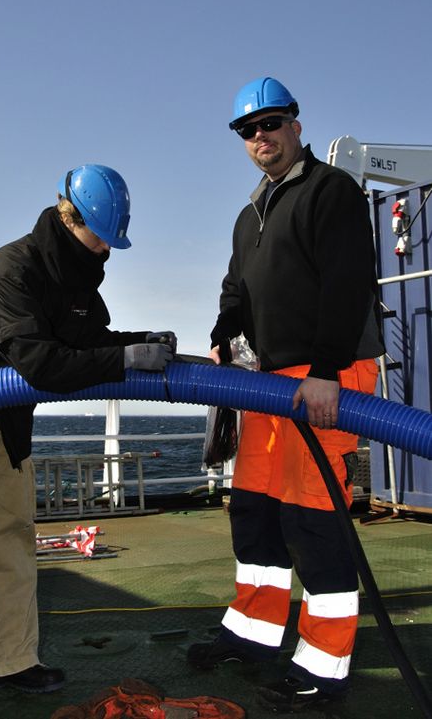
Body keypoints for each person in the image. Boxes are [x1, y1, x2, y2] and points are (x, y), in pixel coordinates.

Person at [0, 164, 177, 719]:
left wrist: (143, 342)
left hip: (9, 414)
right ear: (75, 223)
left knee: (13, 530)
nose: (109, 251)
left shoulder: (78, 282)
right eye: (103, 238)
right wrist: (121, 359)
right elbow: (40, 361)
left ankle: (10, 660)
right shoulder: (13, 271)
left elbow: (91, 342)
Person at [187, 78, 384, 711]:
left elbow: (349, 283)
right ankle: (253, 632)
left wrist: (326, 370)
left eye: (270, 124)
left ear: (295, 124)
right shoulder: (250, 215)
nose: (260, 138)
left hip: (326, 379)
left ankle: (326, 665)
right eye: (248, 131)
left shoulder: (333, 192)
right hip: (266, 387)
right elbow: (234, 292)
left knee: (313, 518)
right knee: (256, 511)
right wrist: (222, 337)